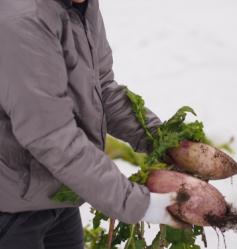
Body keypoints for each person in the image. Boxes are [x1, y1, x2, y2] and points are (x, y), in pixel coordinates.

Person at [0, 0, 184, 248]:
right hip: (10, 207)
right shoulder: (23, 20)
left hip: (58, 194)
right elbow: (51, 136)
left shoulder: (82, 6)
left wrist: (166, 142)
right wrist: (137, 203)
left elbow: (101, 89)